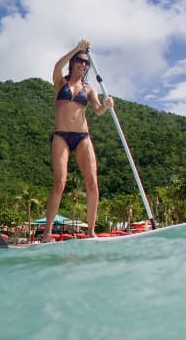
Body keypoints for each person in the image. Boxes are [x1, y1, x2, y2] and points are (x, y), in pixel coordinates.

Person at [42, 40, 114, 242]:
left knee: (93, 183)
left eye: (86, 63)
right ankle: (47, 232)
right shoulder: (60, 82)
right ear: (73, 63)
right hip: (61, 136)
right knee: (59, 183)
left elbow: (98, 111)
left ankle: (90, 231)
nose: (83, 65)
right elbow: (57, 66)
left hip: (83, 136)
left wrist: (106, 105)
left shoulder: (89, 88)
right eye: (80, 61)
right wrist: (76, 48)